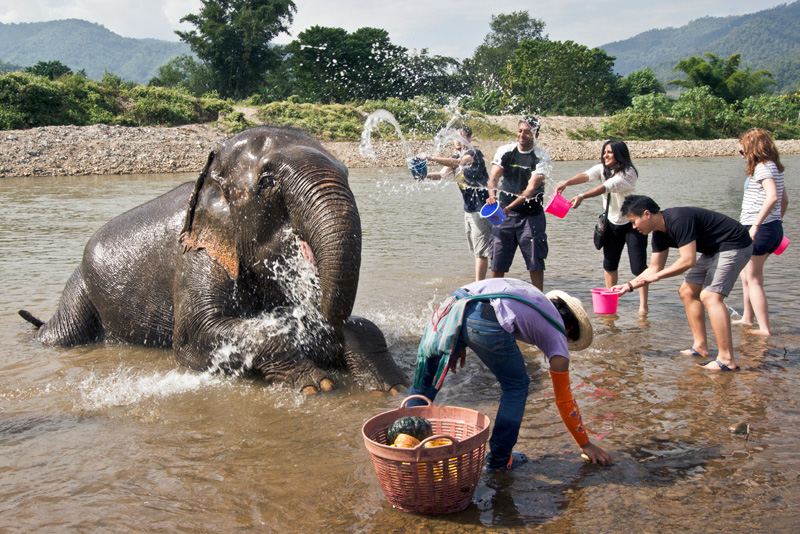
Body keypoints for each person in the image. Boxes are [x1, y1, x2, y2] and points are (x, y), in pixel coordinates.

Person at [408, 277, 612, 471]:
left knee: (425, 385)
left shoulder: (535, 298)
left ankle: (403, 446)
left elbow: (475, 300)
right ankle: (499, 461)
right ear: (571, 328)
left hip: (451, 308)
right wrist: (585, 444)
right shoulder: (558, 333)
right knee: (517, 386)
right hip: (481, 315)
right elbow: (564, 400)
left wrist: (459, 338)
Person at [614, 195, 752, 371]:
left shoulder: (678, 220)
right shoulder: (659, 234)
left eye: (634, 221)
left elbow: (688, 261)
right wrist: (629, 285)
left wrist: (658, 276)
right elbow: (654, 268)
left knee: (710, 297)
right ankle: (700, 346)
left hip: (735, 243)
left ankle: (726, 360)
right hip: (713, 249)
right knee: (687, 291)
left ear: (647, 214)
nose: (634, 227)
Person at [556, 140, 649, 314]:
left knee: (638, 267)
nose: (606, 155)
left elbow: (606, 187)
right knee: (609, 265)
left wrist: (582, 196)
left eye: (610, 153)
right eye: (605, 152)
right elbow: (586, 175)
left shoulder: (629, 173)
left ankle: (643, 307)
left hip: (632, 224)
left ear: (620, 155)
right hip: (612, 224)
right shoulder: (603, 169)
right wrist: (566, 183)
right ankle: (610, 305)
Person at [732, 128, 789, 336]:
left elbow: (773, 197)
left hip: (759, 228)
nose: (742, 156)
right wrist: (776, 222)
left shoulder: (763, 168)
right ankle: (747, 318)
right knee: (746, 275)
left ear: (753, 148)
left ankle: (764, 329)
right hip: (770, 227)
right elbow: (784, 201)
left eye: (743, 152)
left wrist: (757, 225)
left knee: (753, 278)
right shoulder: (774, 167)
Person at [417, 126, 493, 281]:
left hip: (482, 210)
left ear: (469, 140)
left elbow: (459, 163)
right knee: (475, 249)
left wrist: (430, 158)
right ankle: (484, 279)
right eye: (455, 137)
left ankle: (479, 286)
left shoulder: (474, 154)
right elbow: (441, 175)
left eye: (462, 137)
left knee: (480, 252)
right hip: (469, 210)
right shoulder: (453, 158)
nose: (458, 140)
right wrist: (424, 175)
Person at [485, 116, 551, 291]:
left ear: (536, 134)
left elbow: (531, 190)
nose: (522, 135)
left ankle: (539, 298)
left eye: (527, 132)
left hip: (531, 215)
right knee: (497, 257)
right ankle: (494, 295)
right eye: (520, 131)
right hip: (504, 214)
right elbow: (493, 177)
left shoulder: (541, 156)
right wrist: (492, 197)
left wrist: (509, 207)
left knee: (535, 260)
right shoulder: (505, 151)